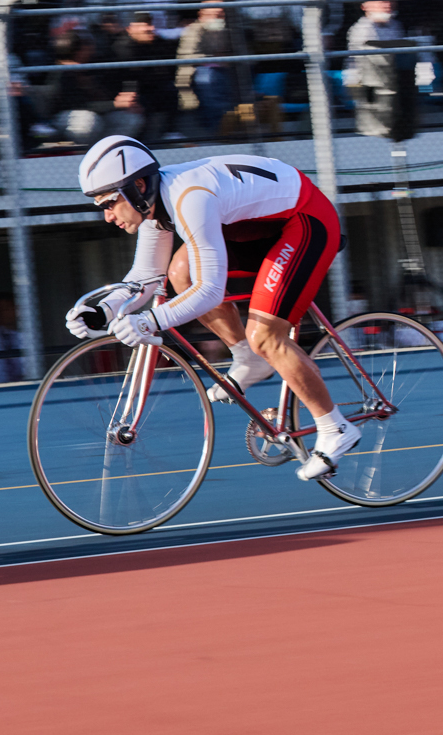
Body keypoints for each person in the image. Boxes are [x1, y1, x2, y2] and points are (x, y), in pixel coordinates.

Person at [68, 137, 359, 480]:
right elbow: (147, 276)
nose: (106, 216)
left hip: (306, 220)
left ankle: (335, 427)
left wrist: (151, 320)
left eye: (110, 203)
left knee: (265, 335)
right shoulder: (154, 206)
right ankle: (246, 357)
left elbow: (210, 291)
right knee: (180, 273)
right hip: (260, 227)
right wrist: (103, 310)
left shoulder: (189, 198)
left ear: (138, 186)